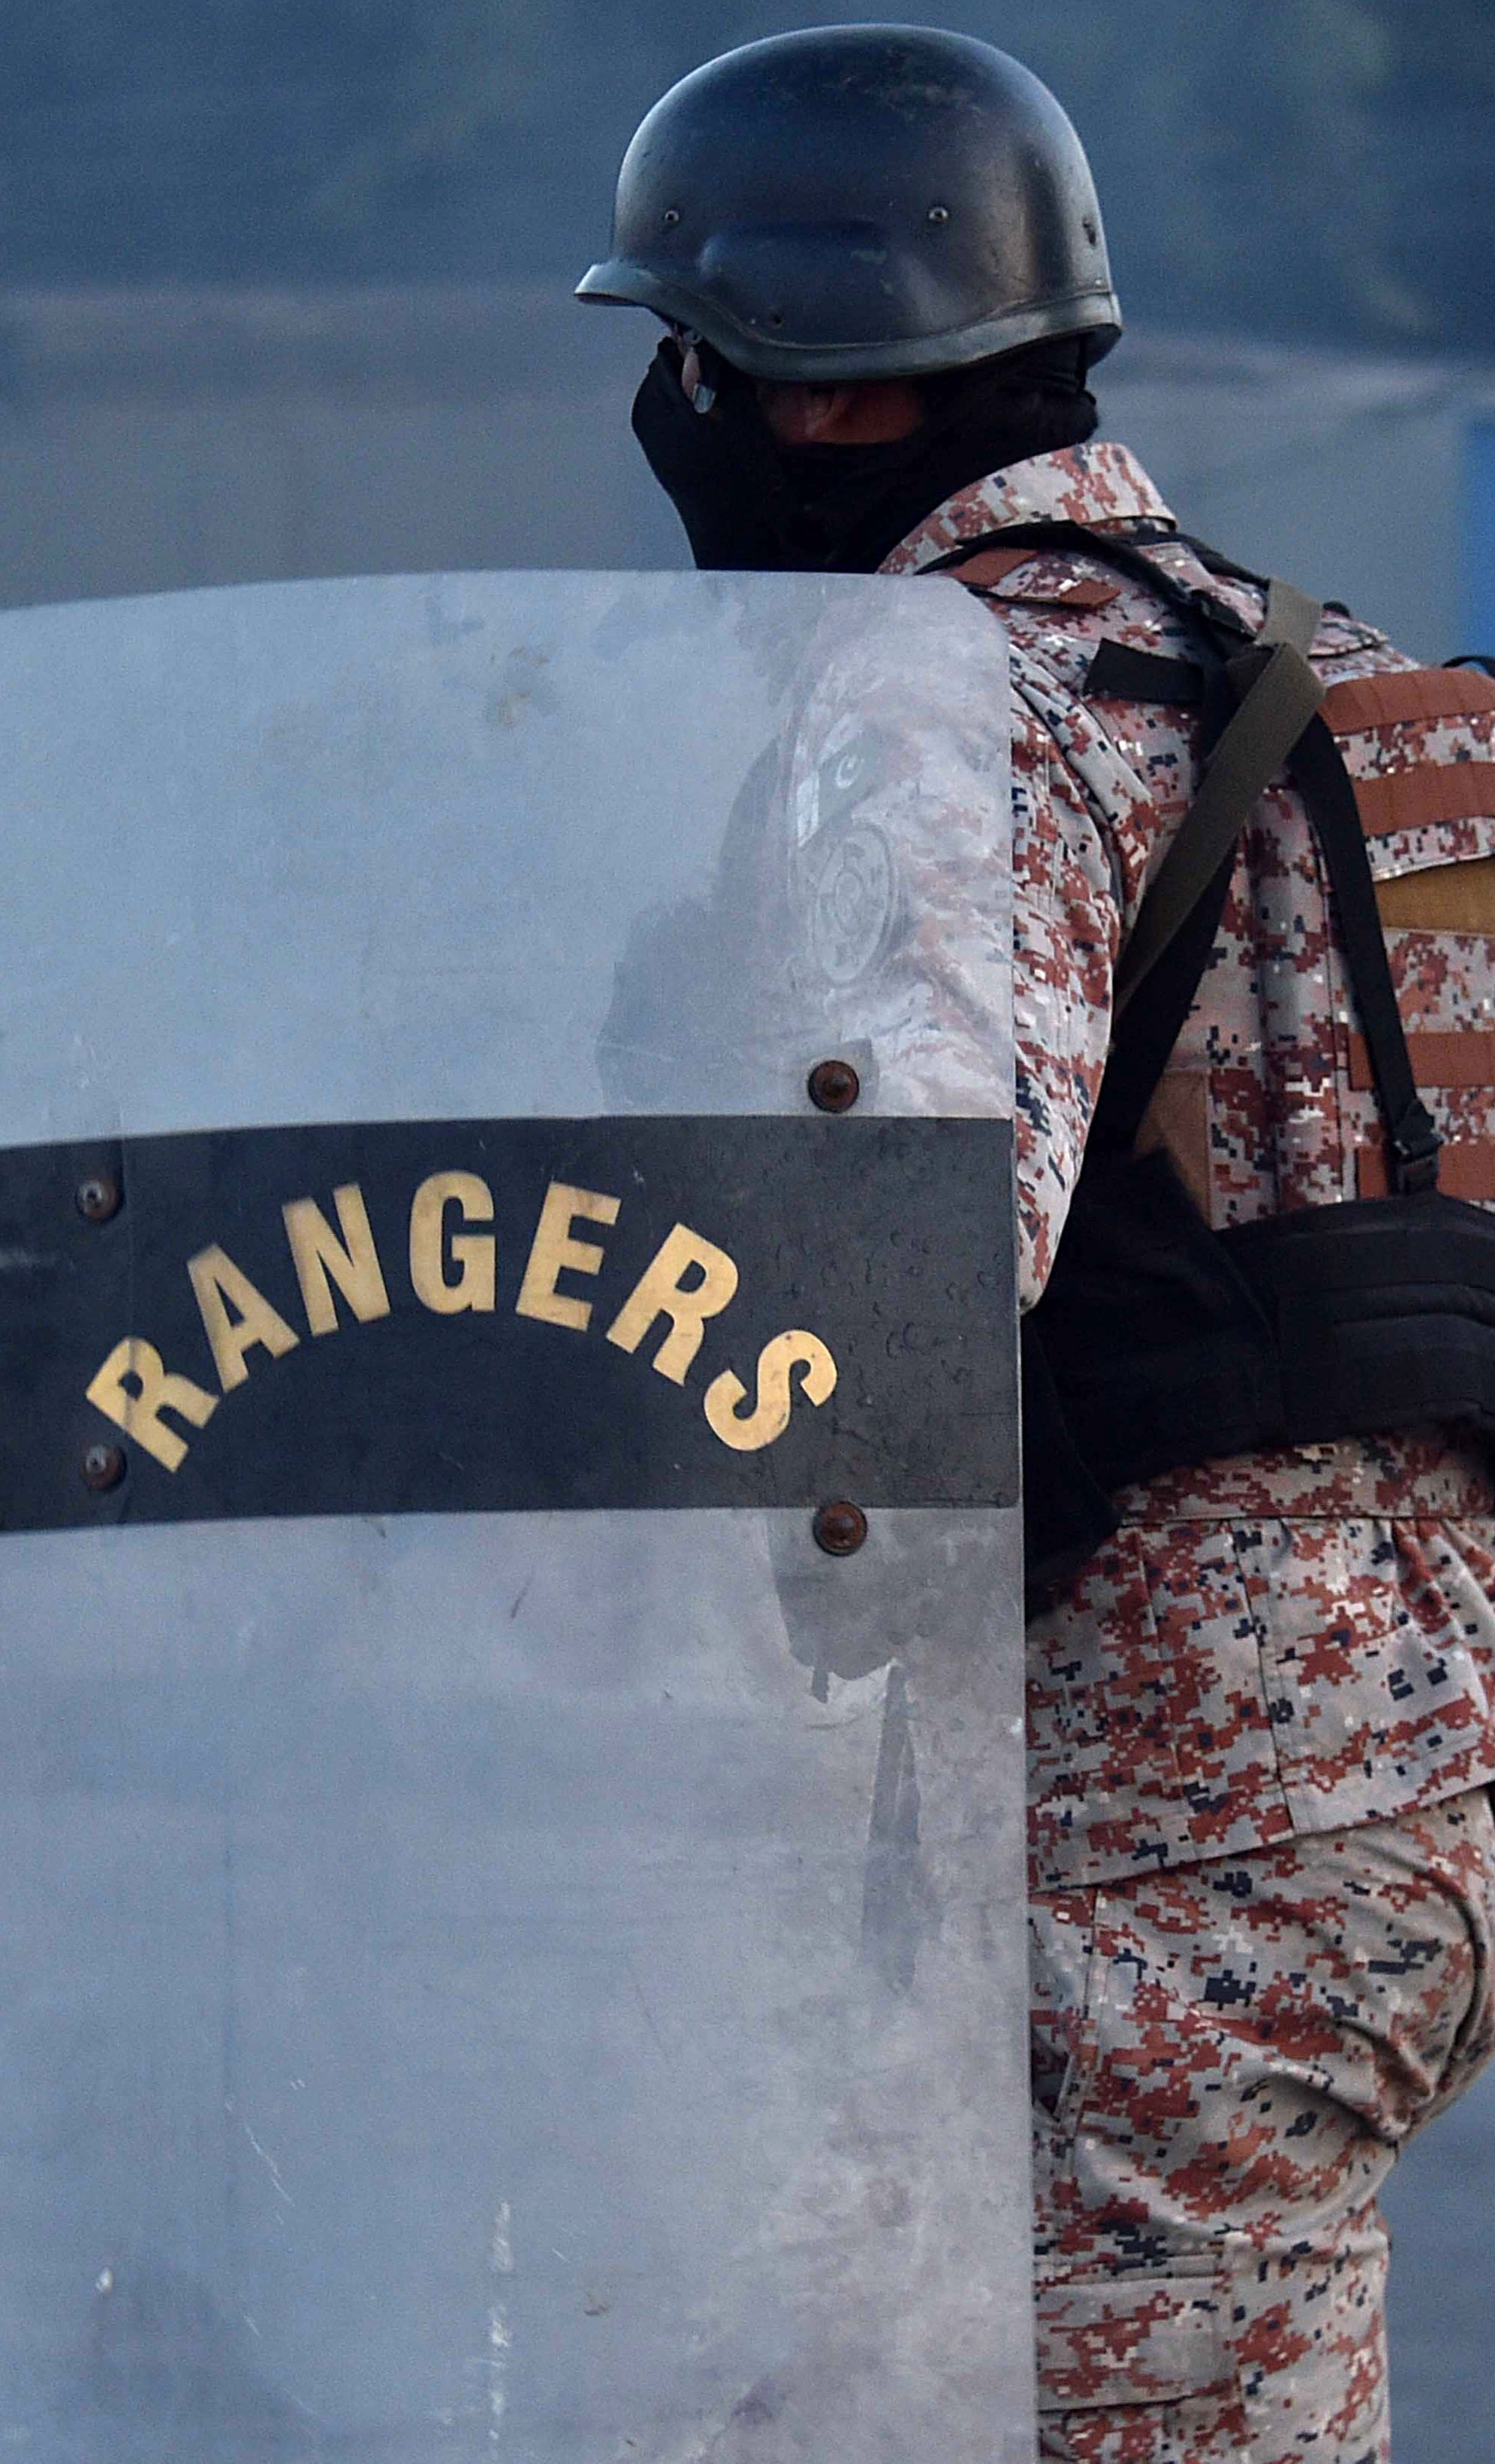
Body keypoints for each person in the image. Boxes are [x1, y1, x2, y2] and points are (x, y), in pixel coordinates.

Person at [581, 28, 1495, 2461]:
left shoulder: (937, 697)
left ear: (809, 391)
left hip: (1146, 1789)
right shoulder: (1313, 672)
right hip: (1392, 1758)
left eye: (691, 355)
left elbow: (887, 1282)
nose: (669, 412)